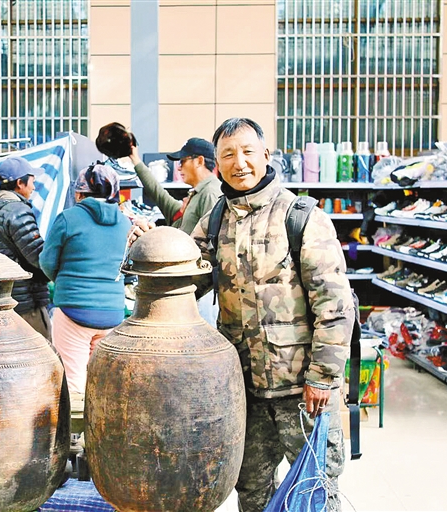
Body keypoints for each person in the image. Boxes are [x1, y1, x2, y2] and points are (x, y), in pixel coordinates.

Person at [186, 118, 355, 511]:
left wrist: (324, 379)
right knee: (252, 492)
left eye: (247, 152)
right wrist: (151, 245)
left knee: (314, 491)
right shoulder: (214, 220)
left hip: (303, 392)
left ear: (266, 155)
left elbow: (335, 305)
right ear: (217, 162)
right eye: (228, 154)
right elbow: (185, 276)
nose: (239, 162)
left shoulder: (301, 217)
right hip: (245, 392)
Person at [39, 163, 131, 398]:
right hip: (112, 314)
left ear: (79, 193)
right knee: (102, 380)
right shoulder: (124, 223)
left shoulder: (68, 218)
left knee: (74, 382)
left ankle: (75, 435)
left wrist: (62, 282)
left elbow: (47, 263)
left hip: (73, 311)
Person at [0, 156, 52, 340]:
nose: (33, 187)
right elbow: (39, 257)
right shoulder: (17, 210)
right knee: (40, 356)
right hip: (25, 299)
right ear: (19, 183)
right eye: (32, 181)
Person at [129, 137, 221, 235]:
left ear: (199, 161)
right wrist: (135, 158)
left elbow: (211, 243)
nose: (179, 168)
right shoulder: (200, 192)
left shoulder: (210, 194)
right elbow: (160, 195)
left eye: (182, 161)